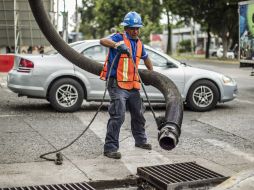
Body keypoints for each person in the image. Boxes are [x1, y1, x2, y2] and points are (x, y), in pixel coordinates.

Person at [100, 11, 153, 159]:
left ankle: (140, 141)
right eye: (132, 28)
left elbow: (147, 59)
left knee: (139, 113)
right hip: (117, 85)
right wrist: (117, 45)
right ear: (126, 28)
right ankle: (110, 148)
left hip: (132, 86)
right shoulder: (119, 38)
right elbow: (102, 41)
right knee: (118, 115)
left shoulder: (140, 44)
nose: (135, 31)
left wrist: (152, 74)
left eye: (137, 28)